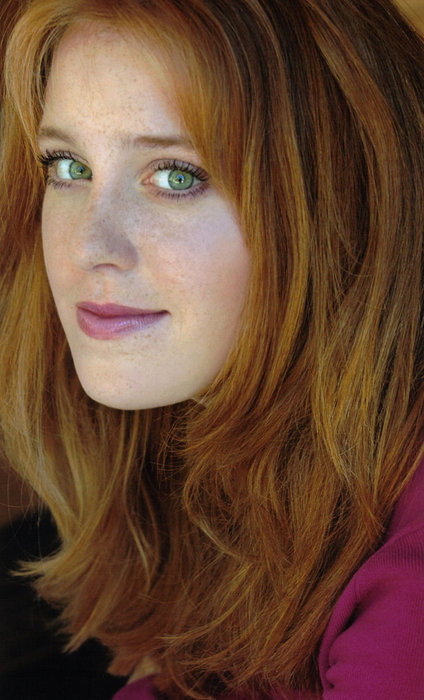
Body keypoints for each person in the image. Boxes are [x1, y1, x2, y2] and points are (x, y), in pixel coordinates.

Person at [0, 0, 423, 698]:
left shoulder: (409, 583)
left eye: (176, 175)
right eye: (68, 166)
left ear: (343, 203)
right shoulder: (205, 469)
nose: (89, 247)